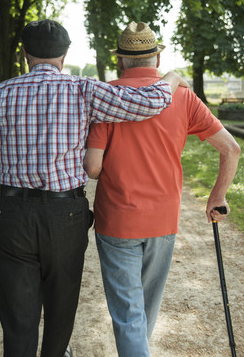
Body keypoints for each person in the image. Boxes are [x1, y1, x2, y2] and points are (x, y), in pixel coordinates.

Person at [0, 19, 188, 357]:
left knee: (18, 322)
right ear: (64, 55)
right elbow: (148, 103)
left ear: (25, 54)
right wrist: (171, 77)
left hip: (13, 216)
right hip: (66, 216)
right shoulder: (84, 89)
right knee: (60, 314)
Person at [84, 21, 241, 357]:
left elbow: (93, 168)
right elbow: (231, 148)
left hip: (117, 221)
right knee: (142, 314)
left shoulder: (107, 97)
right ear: (156, 58)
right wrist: (217, 196)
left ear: (122, 61)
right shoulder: (183, 97)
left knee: (129, 316)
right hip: (163, 222)